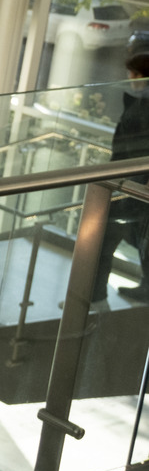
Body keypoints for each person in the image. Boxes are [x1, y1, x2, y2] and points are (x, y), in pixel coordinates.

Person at [96, 50, 149, 303]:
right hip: (132, 183)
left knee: (101, 235)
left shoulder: (142, 107)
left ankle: (92, 296)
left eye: (133, 74)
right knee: (138, 236)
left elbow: (129, 148)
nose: (129, 78)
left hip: (132, 184)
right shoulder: (138, 102)